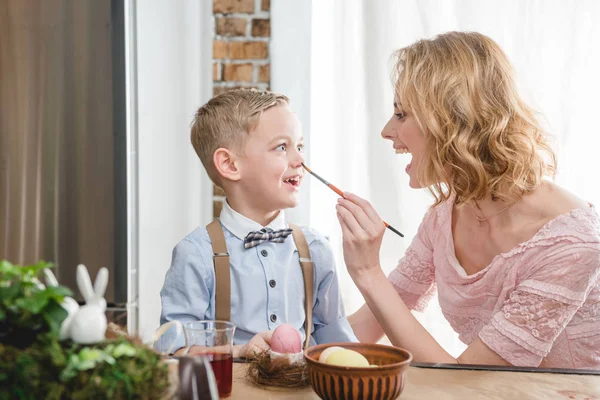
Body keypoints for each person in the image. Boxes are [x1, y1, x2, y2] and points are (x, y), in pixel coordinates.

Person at [337, 32, 600, 369]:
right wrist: (284, 352)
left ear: (454, 121)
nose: (387, 131)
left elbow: (468, 384)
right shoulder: (446, 217)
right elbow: (369, 323)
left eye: (402, 114)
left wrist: (368, 272)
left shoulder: (572, 244)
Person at [158, 89, 356, 358]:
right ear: (229, 164)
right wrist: (238, 351)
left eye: (299, 146)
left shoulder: (316, 250)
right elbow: (171, 353)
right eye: (281, 147)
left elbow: (338, 349)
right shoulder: (196, 254)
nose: (300, 160)